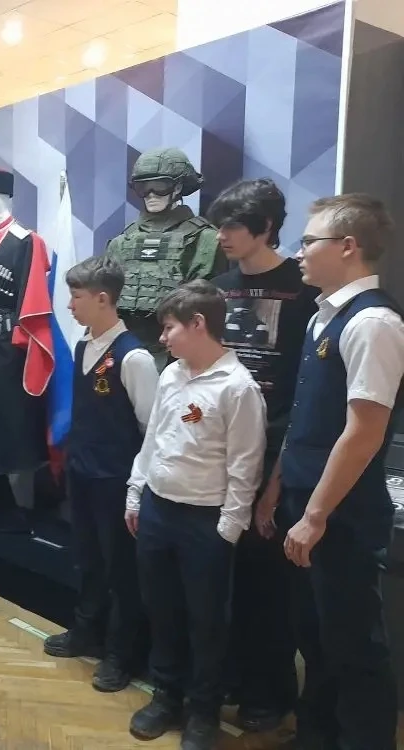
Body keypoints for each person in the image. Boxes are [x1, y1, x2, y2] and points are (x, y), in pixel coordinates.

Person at [258, 194, 404, 750]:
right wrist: (276, 490)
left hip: (341, 514)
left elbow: (364, 432)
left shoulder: (373, 323)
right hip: (304, 501)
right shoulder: (325, 316)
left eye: (308, 241)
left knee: (353, 646)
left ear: (347, 246)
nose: (298, 253)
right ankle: (317, 736)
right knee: (314, 634)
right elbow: (308, 418)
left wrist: (316, 516)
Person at [126, 280, 266, 750]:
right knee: (161, 609)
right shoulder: (171, 374)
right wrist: (136, 493)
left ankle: (203, 711)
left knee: (206, 621)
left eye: (169, 328)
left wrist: (228, 529)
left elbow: (246, 466)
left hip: (205, 523)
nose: (162, 337)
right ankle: (165, 696)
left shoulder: (238, 388)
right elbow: (154, 440)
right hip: (158, 510)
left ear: (198, 324)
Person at [207, 179, 316, 730]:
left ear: (265, 227)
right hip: (217, 443)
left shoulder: (305, 290)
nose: (222, 236)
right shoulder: (217, 288)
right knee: (221, 572)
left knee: (269, 580)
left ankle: (269, 692)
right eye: (219, 225)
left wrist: (279, 471)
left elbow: (308, 386)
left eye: (232, 226)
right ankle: (229, 674)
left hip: (277, 444)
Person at [43, 255, 158, 693]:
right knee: (88, 559)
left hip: (116, 481)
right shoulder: (82, 346)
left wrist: (136, 488)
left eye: (76, 297)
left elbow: (151, 428)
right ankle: (85, 630)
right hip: (83, 473)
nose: (69, 305)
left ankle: (121, 654)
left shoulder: (134, 357)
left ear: (104, 299)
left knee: (121, 570)